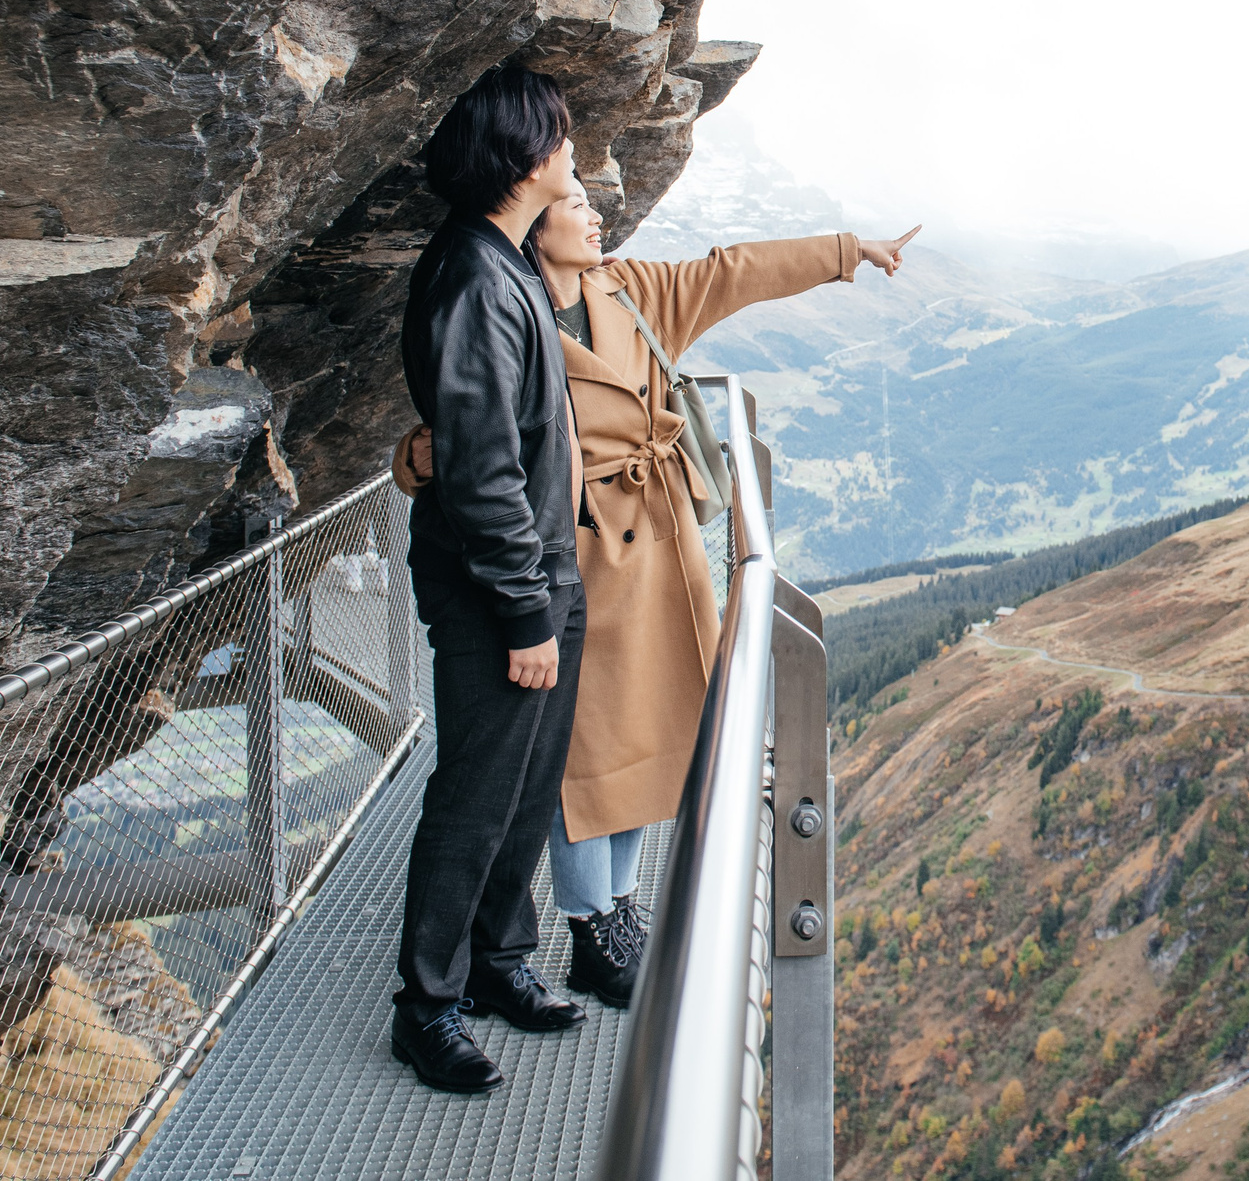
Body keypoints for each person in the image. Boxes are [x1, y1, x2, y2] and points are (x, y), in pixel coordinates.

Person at [397, 193, 917, 1006]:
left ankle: (620, 905)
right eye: (574, 202)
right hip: (569, 560)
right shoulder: (509, 313)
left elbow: (733, 272)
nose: (597, 214)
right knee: (584, 756)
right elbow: (449, 440)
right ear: (534, 226)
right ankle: (587, 923)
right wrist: (417, 460)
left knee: (654, 735)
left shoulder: (631, 290)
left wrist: (851, 248)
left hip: (655, 551)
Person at [389, 64, 591, 1096]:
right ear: (525, 158)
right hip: (501, 588)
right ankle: (427, 1006)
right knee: (475, 795)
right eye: (557, 136)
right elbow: (476, 462)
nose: (571, 149)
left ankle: (499, 962)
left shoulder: (500, 263)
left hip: (542, 575)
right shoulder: (475, 275)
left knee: (524, 784)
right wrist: (523, 610)